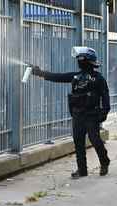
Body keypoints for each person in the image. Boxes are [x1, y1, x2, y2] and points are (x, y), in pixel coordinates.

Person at [32, 46, 111, 178]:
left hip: (91, 115)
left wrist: (104, 112)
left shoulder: (98, 78)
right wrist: (40, 73)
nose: (79, 61)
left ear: (87, 60)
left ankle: (104, 162)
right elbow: (58, 77)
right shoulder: (76, 76)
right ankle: (82, 170)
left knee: (95, 139)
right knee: (78, 142)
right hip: (78, 115)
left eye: (81, 59)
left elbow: (105, 96)